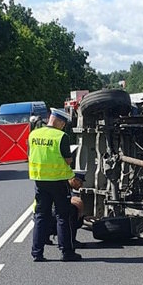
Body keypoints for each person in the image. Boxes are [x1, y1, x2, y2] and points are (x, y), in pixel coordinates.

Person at [28, 108, 83, 262]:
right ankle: (66, 252)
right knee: (62, 217)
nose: (63, 127)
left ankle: (37, 253)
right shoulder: (61, 137)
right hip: (58, 182)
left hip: (40, 181)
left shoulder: (33, 135)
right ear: (58, 121)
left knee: (40, 216)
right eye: (63, 124)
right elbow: (67, 160)